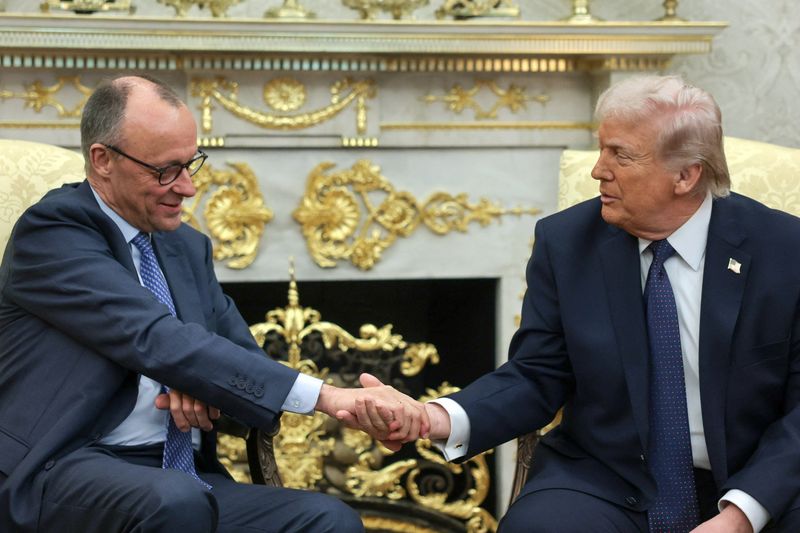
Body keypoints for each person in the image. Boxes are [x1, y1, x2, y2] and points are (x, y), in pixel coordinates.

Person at [360, 75, 800, 532]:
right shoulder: (567, 241)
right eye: (601, 149)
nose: (598, 170)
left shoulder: (784, 250)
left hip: (761, 480)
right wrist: (433, 417)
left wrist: (741, 515)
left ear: (686, 175)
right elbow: (536, 375)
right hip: (608, 477)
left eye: (621, 155)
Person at [0, 75, 427, 532]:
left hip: (178, 474)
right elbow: (153, 337)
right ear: (103, 160)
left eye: (191, 164)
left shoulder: (186, 247)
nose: (186, 188)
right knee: (175, 501)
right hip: (65, 466)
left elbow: (239, 357)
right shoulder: (53, 233)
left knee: (328, 519)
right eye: (165, 170)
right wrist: (328, 397)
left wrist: (201, 381)